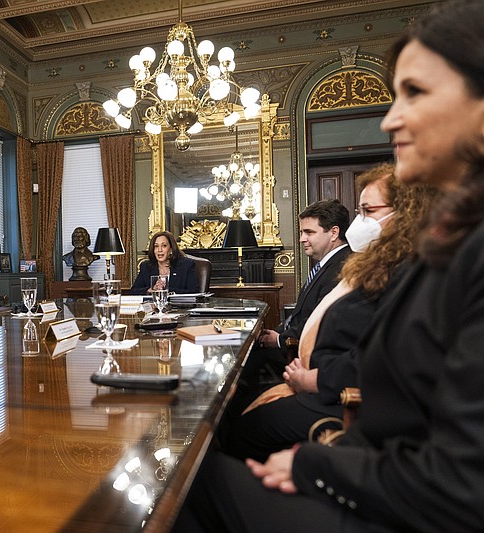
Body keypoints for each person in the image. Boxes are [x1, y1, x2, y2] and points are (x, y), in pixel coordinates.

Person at [174, 1, 484, 530]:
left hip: (387, 509)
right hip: (367, 470)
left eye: (417, 92)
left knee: (175, 485)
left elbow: (462, 487)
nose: (391, 118)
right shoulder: (448, 244)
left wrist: (317, 463)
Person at [222, 164, 434, 461]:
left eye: (367, 212)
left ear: (406, 214)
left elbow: (380, 357)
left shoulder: (404, 272)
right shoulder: (377, 265)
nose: (359, 222)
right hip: (322, 379)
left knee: (241, 429)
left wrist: (311, 378)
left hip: (341, 397)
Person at [241, 199, 351, 388]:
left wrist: (279, 340)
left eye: (309, 232)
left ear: (333, 232)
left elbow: (318, 322)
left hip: (303, 355)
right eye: (302, 232)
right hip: (292, 343)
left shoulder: (342, 268)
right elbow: (301, 313)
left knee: (239, 365)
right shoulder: (326, 264)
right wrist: (278, 331)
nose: (301, 239)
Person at [129, 231, 198, 295]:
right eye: (156, 246)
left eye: (164, 246)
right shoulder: (146, 266)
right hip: (153, 307)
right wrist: (150, 289)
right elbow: (134, 291)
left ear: (171, 249)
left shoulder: (186, 265)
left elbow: (194, 292)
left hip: (180, 307)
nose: (160, 250)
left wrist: (166, 289)